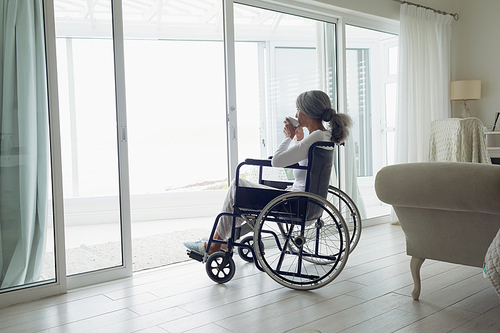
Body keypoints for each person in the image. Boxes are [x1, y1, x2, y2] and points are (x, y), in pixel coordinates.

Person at [184, 90, 352, 254]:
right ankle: (222, 240)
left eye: (298, 109)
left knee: (237, 185)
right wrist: (299, 139)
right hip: (306, 202)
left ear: (307, 111)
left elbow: (277, 161)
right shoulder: (324, 136)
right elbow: (305, 163)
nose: (296, 114)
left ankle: (214, 244)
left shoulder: (314, 138)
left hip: (294, 203)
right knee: (244, 200)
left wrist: (289, 136)